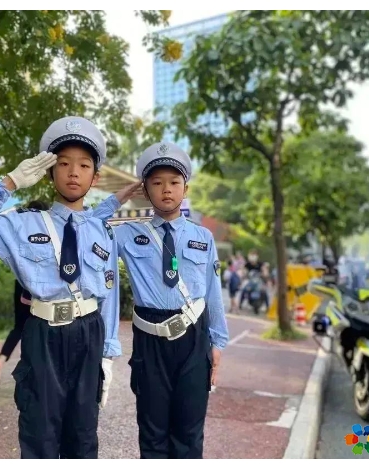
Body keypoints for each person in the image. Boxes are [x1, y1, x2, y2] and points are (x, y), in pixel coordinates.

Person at [0, 116, 121, 459]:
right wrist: (10, 182)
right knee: (39, 434)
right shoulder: (23, 223)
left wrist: (107, 355)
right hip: (44, 333)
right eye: (63, 163)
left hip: (89, 332)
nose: (73, 172)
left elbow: (109, 295)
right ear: (49, 172)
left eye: (84, 165)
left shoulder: (102, 231)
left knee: (83, 437)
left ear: (95, 177)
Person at [93, 141, 229, 459]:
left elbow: (213, 290)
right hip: (149, 342)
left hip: (193, 339)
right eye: (156, 183)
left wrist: (218, 341)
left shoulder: (203, 237)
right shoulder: (126, 234)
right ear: (146, 190)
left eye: (174, 182)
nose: (166, 189)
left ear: (185, 188)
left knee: (189, 433)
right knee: (152, 432)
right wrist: (118, 198)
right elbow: (89, 226)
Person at [0, 199, 49, 387]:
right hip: (39, 289)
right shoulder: (47, 235)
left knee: (19, 327)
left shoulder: (20, 234)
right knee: (40, 330)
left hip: (21, 287)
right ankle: (32, 374)